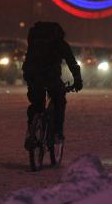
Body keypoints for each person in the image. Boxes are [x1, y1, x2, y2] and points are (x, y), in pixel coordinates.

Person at [22, 22, 82, 151]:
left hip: (31, 74)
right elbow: (72, 63)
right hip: (50, 77)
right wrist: (78, 80)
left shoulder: (34, 42)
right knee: (59, 100)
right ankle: (56, 133)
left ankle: (31, 132)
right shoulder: (60, 44)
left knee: (36, 104)